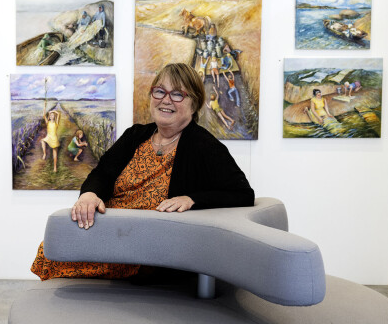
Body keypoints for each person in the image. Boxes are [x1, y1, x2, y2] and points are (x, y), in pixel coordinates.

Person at [30, 63, 254, 280]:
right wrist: (89, 194)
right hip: (108, 229)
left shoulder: (205, 146)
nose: (166, 100)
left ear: (194, 104)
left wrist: (192, 199)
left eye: (177, 94)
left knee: (59, 256)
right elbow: (102, 174)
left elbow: (242, 194)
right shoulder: (135, 135)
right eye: (159, 91)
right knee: (51, 249)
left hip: (143, 249)